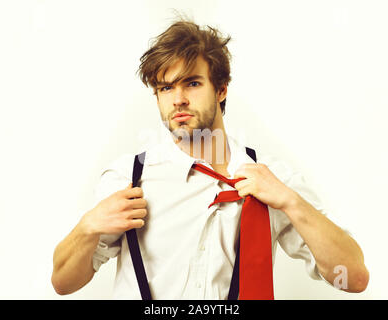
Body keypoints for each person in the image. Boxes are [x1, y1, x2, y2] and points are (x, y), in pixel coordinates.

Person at [51, 20, 369, 299]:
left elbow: (352, 278)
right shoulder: (128, 179)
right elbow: (63, 283)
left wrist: (291, 202)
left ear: (220, 90)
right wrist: (88, 228)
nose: (178, 99)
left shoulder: (271, 179)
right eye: (165, 87)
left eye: (192, 82)